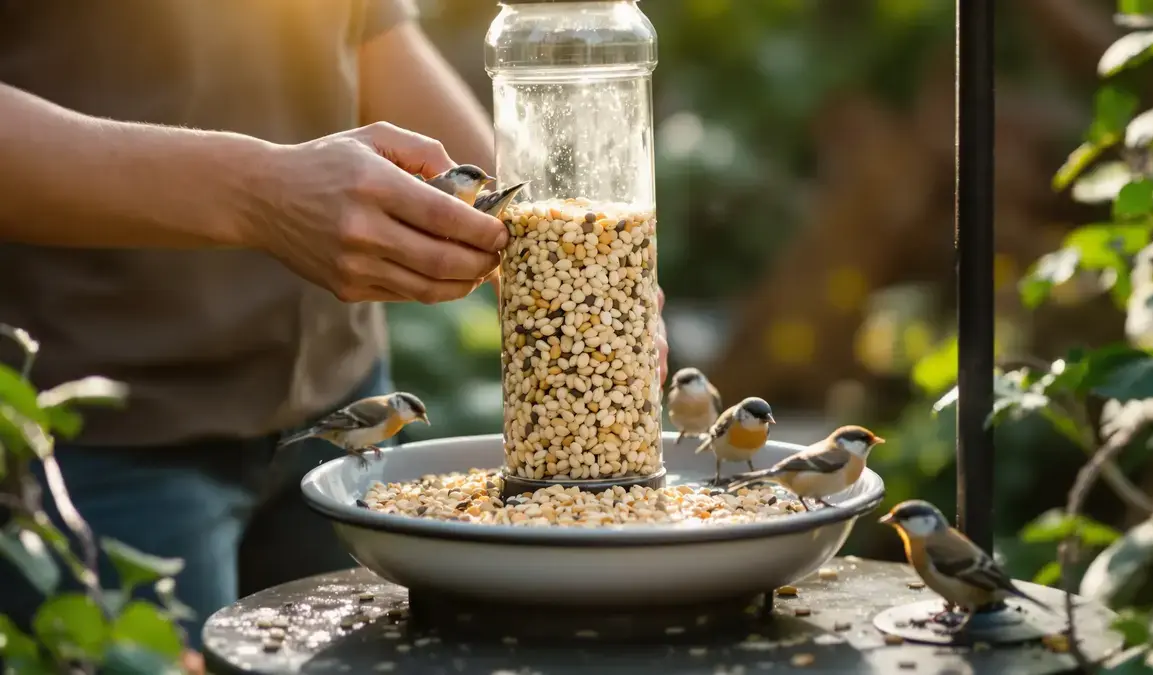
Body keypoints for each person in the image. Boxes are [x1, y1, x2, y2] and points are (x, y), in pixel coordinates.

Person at [0, 0, 670, 664]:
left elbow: (367, 33)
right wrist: (255, 194)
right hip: (108, 430)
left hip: (335, 403)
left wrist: (568, 261)